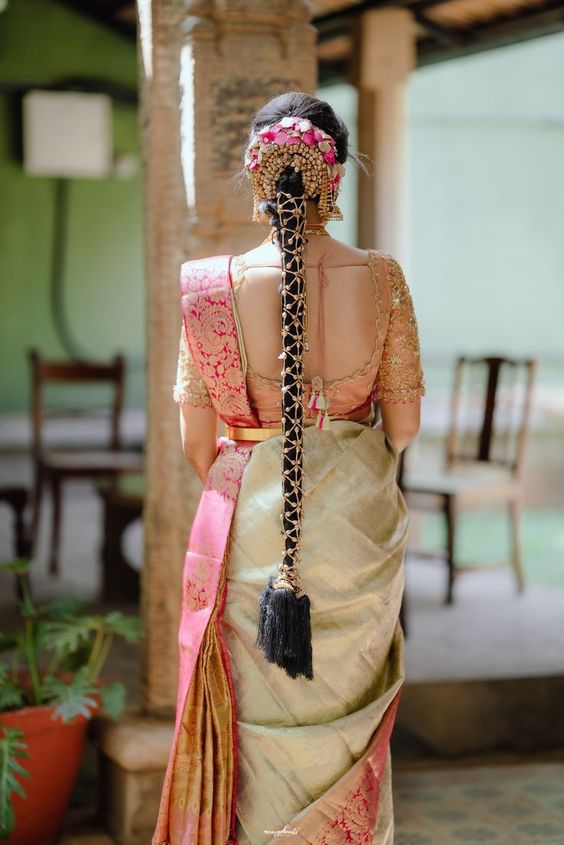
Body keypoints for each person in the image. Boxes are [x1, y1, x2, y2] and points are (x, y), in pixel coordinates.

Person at [152, 91, 426, 845]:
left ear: (256, 174)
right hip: (356, 522)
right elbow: (402, 427)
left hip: (249, 519)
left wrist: (267, 452)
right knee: (345, 728)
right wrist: (346, 457)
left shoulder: (209, 288)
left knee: (252, 730)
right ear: (333, 179)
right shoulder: (384, 278)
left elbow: (198, 444)